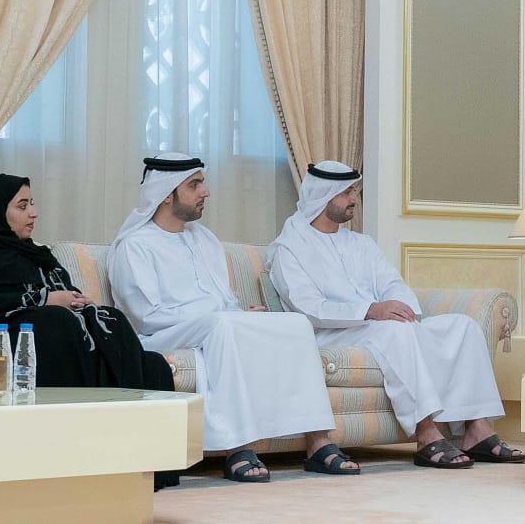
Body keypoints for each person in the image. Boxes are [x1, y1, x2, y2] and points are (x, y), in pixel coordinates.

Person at [0, 173, 184, 487]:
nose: (33, 213)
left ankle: (131, 463)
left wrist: (77, 301)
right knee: (52, 324)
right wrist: (44, 300)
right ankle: (72, 459)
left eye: (32, 204)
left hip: (52, 334)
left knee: (113, 321)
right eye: (22, 206)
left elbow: (61, 291)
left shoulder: (36, 254)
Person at [107, 154, 356, 481]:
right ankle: (237, 447)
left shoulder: (205, 239)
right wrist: (225, 316)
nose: (205, 192)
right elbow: (146, 316)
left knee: (295, 323)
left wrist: (240, 315)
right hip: (161, 334)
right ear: (166, 194)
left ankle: (318, 442)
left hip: (215, 324)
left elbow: (223, 300)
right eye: (194, 185)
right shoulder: (135, 245)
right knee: (223, 324)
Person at [267, 162, 523, 469]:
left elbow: (392, 284)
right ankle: (426, 434)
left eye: (355, 191)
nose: (354, 199)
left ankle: (478, 431)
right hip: (331, 333)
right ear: (323, 195)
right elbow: (309, 307)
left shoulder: (361, 243)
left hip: (375, 327)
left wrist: (401, 309)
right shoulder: (289, 248)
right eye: (347, 193)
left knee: (462, 326)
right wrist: (372, 310)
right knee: (396, 331)